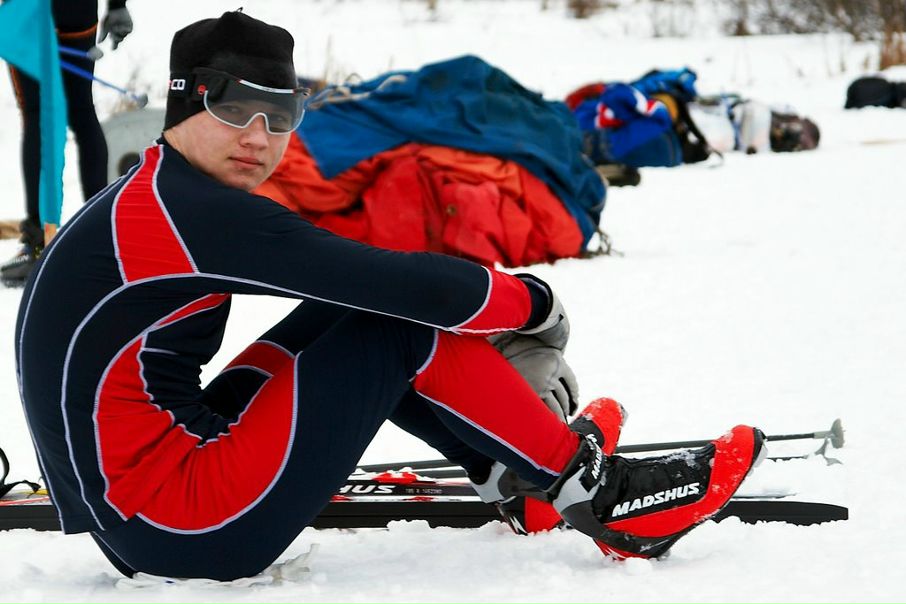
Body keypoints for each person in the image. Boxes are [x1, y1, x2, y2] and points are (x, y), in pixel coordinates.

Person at [15, 11, 765, 581]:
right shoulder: (190, 213)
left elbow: (355, 280)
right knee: (399, 324)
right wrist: (534, 304)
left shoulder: (158, 194)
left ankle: (516, 477)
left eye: (281, 114)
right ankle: (594, 491)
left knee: (357, 309)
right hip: (179, 524)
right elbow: (407, 287)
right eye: (235, 107)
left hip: (140, 511)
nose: (259, 136)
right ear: (185, 104)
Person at [2, 0, 134, 285]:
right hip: (76, 9)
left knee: (37, 114)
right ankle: (103, 238)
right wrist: (117, 5)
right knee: (82, 110)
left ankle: (39, 243)